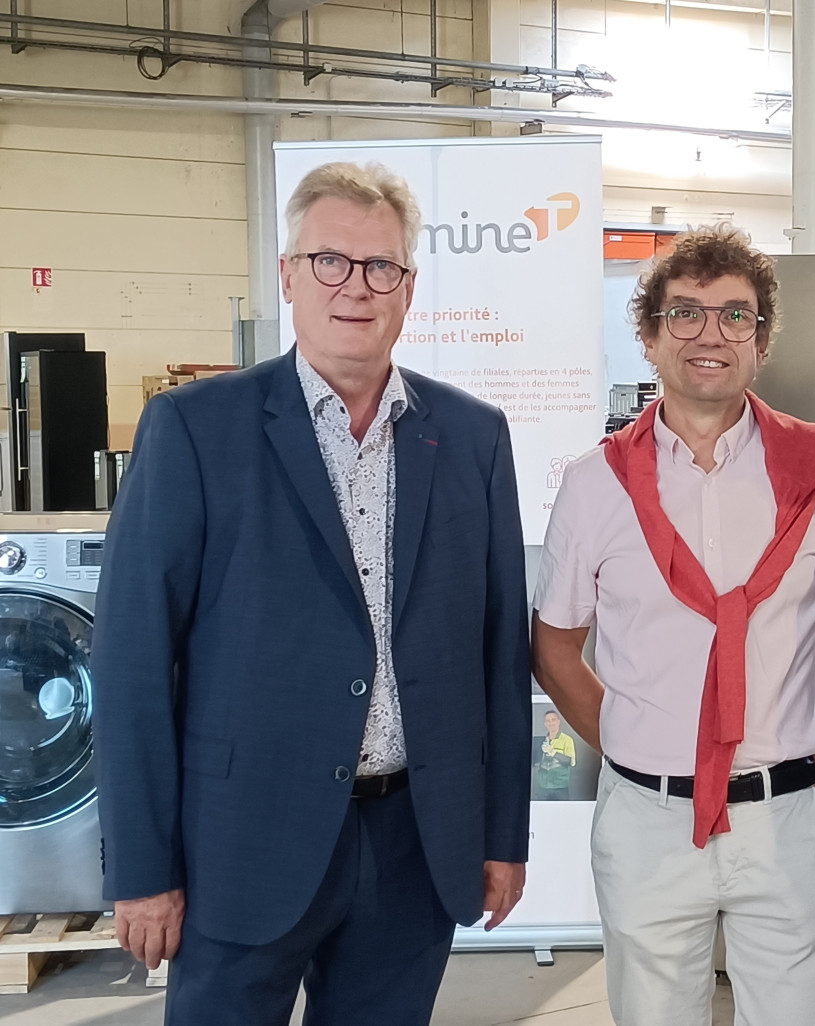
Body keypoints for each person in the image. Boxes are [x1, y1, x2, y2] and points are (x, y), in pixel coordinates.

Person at [92, 161, 531, 1026]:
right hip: (240, 844)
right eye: (331, 261)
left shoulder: (473, 437)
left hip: (415, 843)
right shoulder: (196, 430)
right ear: (289, 276)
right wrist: (142, 868)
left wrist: (499, 837)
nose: (356, 287)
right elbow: (134, 659)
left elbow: (496, 655)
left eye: (381, 268)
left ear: (409, 287)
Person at [532, 225, 815, 1026]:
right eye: (686, 315)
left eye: (736, 317)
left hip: (781, 813)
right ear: (648, 336)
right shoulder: (593, 486)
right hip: (645, 821)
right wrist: (636, 738)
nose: (711, 335)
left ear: (763, 341)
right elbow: (555, 644)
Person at [535, 710, 577, 800]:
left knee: (562, 812)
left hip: (560, 787)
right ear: (545, 724)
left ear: (558, 722)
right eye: (548, 721)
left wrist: (553, 753)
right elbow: (535, 762)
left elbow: (570, 761)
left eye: (553, 720)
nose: (551, 723)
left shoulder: (567, 740)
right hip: (543, 787)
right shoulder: (541, 741)